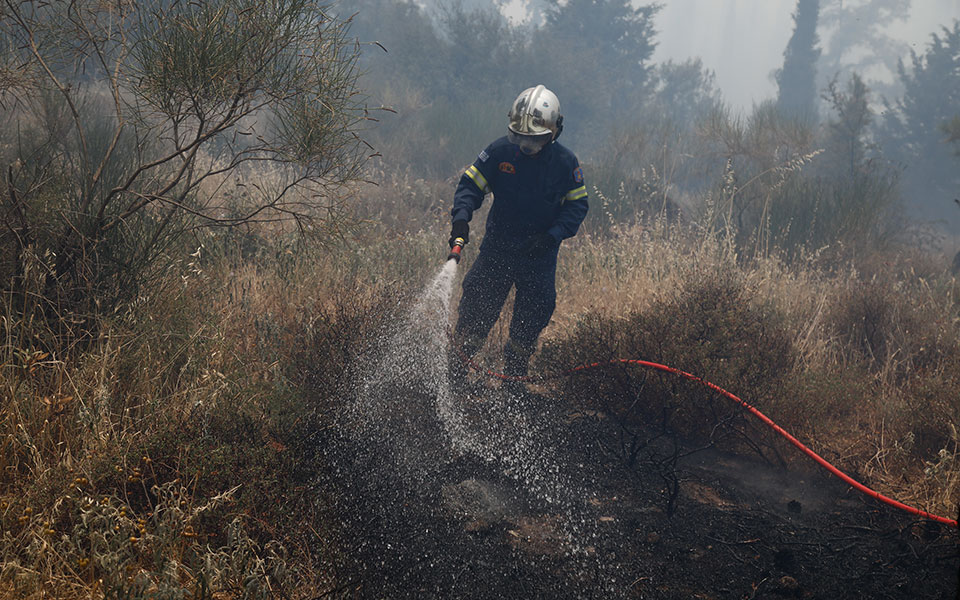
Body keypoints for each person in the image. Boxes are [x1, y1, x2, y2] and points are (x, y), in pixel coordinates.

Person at [448, 85, 589, 390]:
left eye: (533, 139)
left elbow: (577, 206)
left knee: (528, 327)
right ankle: (453, 382)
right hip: (497, 251)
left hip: (538, 258)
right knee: (473, 318)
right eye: (520, 137)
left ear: (554, 132)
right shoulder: (499, 153)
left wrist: (551, 237)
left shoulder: (565, 164)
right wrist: (461, 220)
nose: (525, 145)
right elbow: (470, 187)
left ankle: (513, 391)